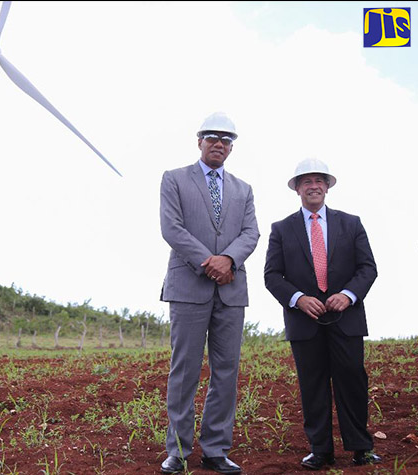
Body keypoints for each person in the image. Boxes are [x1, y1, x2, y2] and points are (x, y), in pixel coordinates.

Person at [264, 158, 382, 470]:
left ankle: (360, 448)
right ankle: (321, 451)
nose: (313, 186)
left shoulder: (351, 223)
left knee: (352, 382)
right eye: (306, 181)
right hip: (305, 323)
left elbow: (367, 268)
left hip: (347, 319)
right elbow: (272, 275)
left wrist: (348, 294)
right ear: (297, 189)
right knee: (312, 386)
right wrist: (298, 298)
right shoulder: (281, 229)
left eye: (319, 180)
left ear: (327, 187)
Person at [159, 112, 260, 474]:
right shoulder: (174, 180)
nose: (219, 143)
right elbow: (171, 228)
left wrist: (228, 259)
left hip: (230, 291)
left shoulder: (243, 189)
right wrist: (209, 261)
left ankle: (216, 449)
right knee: (184, 369)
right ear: (199, 140)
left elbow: (251, 233)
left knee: (226, 371)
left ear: (231, 147)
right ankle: (179, 451)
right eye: (212, 137)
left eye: (226, 139)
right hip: (189, 286)